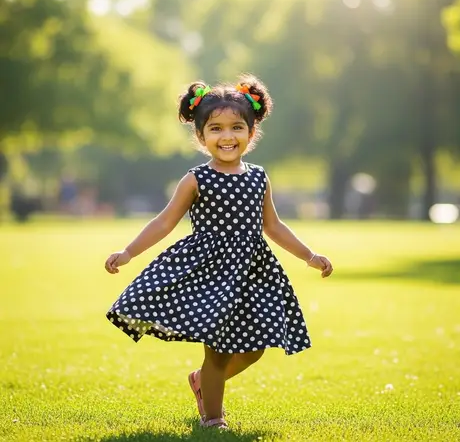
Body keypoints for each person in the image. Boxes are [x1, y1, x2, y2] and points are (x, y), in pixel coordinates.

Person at [104, 74, 333, 430]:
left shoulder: (259, 177)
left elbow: (273, 226)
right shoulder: (196, 179)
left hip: (252, 273)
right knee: (219, 349)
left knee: (255, 347)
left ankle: (201, 380)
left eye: (236, 127)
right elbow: (164, 222)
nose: (227, 136)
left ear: (251, 132)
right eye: (216, 129)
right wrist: (128, 252)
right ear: (201, 136)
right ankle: (213, 420)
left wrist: (309, 255)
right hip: (210, 272)